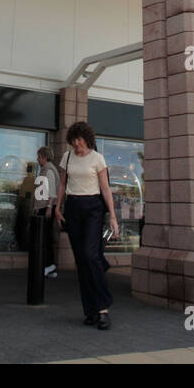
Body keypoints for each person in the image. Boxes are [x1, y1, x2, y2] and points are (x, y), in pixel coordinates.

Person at [55, 121, 118, 329]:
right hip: (73, 207)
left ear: (87, 139)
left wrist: (112, 216)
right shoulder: (68, 156)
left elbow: (106, 189)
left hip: (93, 208)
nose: (76, 143)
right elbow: (63, 184)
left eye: (79, 140)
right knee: (81, 261)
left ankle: (103, 309)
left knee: (91, 255)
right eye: (73, 140)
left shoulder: (97, 158)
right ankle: (90, 311)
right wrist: (58, 207)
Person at [34, 146, 61, 277]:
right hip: (45, 206)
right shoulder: (47, 169)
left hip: (46, 207)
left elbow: (52, 191)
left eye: (39, 157)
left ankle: (49, 264)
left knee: (45, 237)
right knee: (46, 236)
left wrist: (49, 207)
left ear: (45, 157)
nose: (38, 159)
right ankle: (50, 268)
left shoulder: (48, 170)